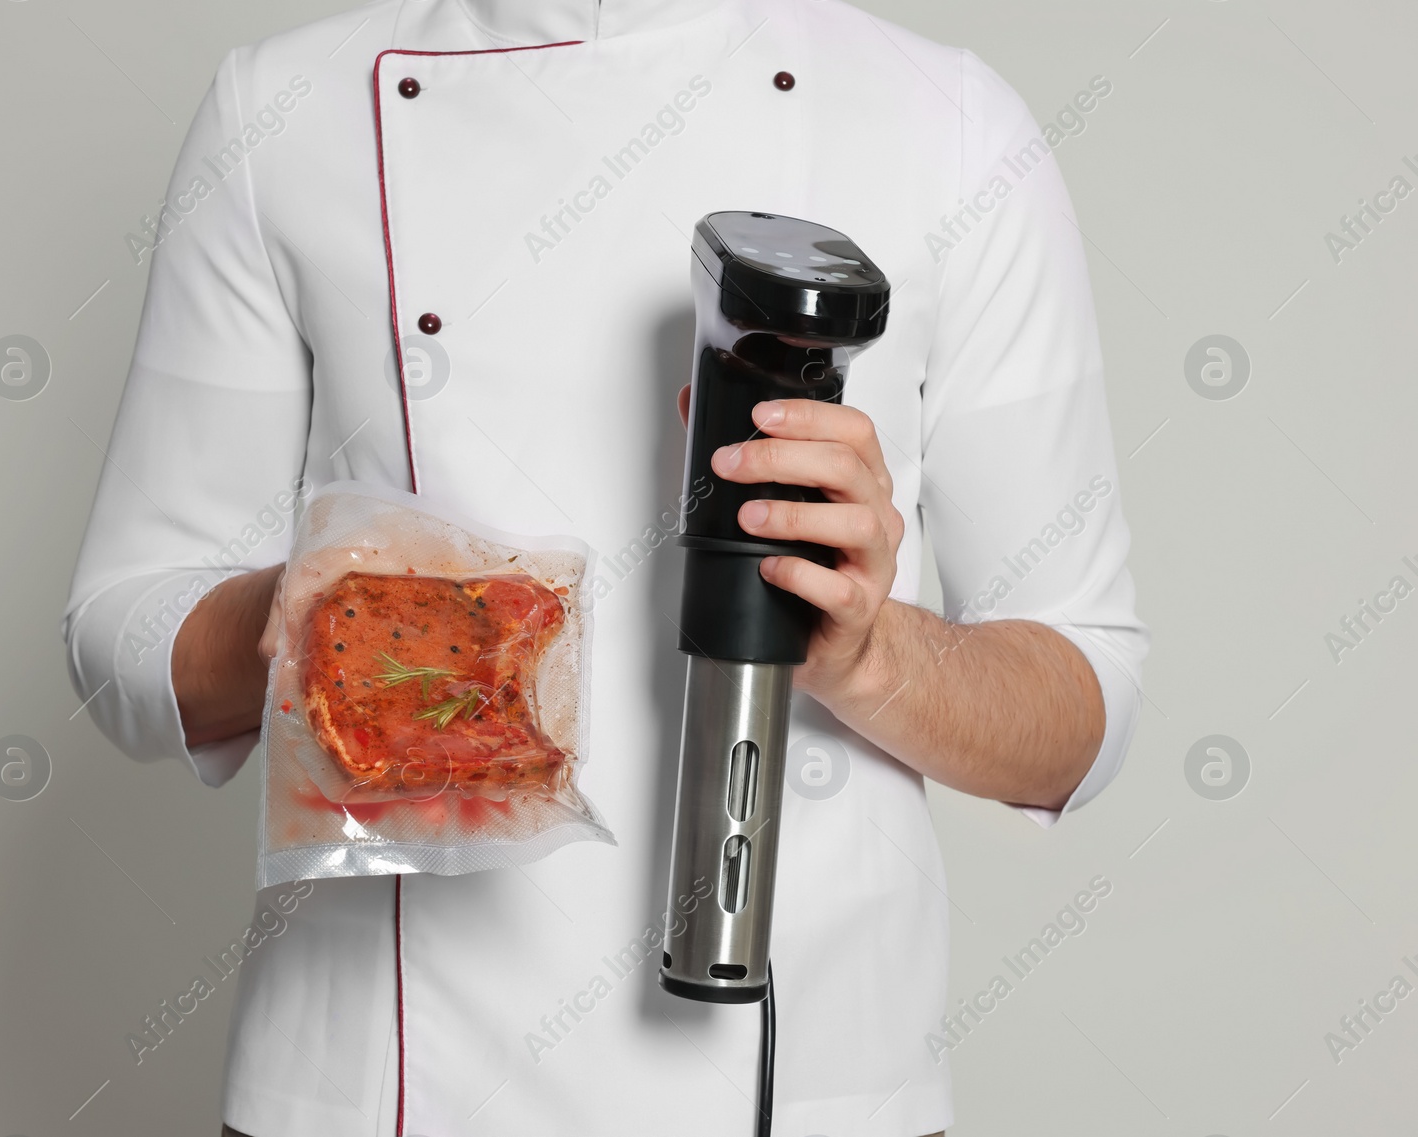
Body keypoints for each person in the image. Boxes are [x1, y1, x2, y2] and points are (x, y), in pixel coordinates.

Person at [62, 1, 1148, 1134]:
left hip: (816, 1085)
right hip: (373, 1086)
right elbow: (118, 638)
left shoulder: (951, 125)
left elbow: (1083, 708)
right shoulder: (285, 110)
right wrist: (318, 628)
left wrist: (874, 654)